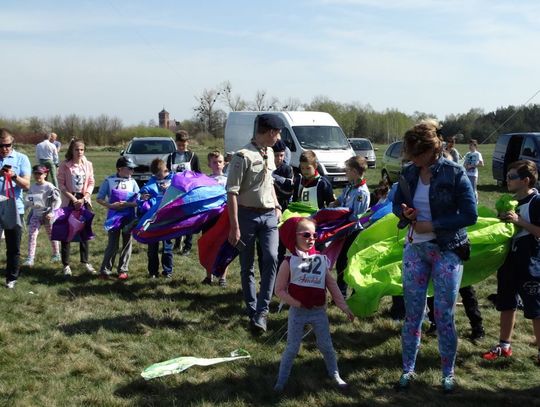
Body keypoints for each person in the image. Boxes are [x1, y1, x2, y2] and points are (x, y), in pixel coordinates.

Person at [392, 120, 477, 392]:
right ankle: (408, 369)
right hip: (415, 249)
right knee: (413, 313)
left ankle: (447, 373)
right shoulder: (409, 172)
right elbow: (396, 205)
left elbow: (470, 214)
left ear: (433, 149)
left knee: (443, 315)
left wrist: (433, 225)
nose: (413, 159)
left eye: (418, 154)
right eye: (411, 154)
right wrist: (404, 213)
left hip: (447, 250)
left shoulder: (454, 172)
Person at [273, 217, 355, 392]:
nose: (311, 239)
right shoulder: (288, 262)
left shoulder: (320, 260)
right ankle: (281, 381)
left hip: (319, 312)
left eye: (314, 235)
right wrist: (296, 303)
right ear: (293, 236)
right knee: (292, 348)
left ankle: (335, 374)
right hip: (298, 313)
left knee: (326, 346)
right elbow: (279, 290)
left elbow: (332, 285)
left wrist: (344, 306)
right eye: (306, 235)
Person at [226, 113, 283, 333]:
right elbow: (231, 193)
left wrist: (277, 206)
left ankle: (262, 310)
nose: (279, 138)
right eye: (277, 133)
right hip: (246, 216)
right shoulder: (242, 156)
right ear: (270, 132)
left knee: (271, 257)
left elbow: (268, 182)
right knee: (247, 265)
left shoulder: (270, 152)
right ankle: (253, 311)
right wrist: (235, 227)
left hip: (269, 215)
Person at [482, 160, 540, 364]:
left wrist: (519, 221)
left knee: (535, 308)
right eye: (507, 176)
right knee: (506, 303)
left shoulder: (536, 201)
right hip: (508, 262)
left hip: (530, 263)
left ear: (526, 180)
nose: (507, 180)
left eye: (512, 177)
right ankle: (504, 346)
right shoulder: (510, 200)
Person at [331, 156, 370, 297]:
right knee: (341, 261)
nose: (345, 172)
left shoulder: (361, 192)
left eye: (347, 170)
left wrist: (338, 215)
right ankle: (341, 292)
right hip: (344, 229)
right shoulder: (350, 186)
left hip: (354, 231)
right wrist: (335, 203)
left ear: (354, 171)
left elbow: (356, 215)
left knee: (346, 261)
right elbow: (342, 199)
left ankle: (346, 293)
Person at [57, 139, 96, 277]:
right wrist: (73, 199)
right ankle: (66, 264)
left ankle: (85, 261)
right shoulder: (64, 165)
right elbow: (61, 185)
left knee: (84, 231)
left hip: (84, 199)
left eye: (82, 149)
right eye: (77, 149)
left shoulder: (88, 164)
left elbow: (91, 182)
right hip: (69, 200)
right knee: (67, 232)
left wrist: (85, 197)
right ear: (72, 150)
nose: (79, 152)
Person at [96, 157, 139, 280]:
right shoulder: (109, 180)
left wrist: (127, 204)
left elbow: (138, 201)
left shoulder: (133, 182)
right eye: (129, 168)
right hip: (113, 218)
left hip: (129, 217)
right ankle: (105, 270)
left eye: (133, 168)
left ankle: (123, 270)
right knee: (112, 244)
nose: (132, 171)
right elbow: (99, 198)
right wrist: (110, 206)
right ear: (120, 168)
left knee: (127, 243)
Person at [0, 128, 31, 288]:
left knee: (13, 247)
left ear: (12, 143)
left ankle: (11, 278)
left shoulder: (22, 158)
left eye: (7, 145)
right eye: (1, 146)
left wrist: (14, 176)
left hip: (14, 208)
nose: (4, 149)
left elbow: (26, 185)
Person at [167, 130, 201, 256]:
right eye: (179, 145)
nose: (181, 147)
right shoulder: (171, 157)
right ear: (176, 143)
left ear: (188, 142)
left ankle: (187, 245)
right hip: (175, 191)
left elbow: (198, 174)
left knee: (188, 218)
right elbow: (167, 173)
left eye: (183, 144)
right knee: (176, 217)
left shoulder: (193, 156)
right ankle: (177, 242)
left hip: (189, 191)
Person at [139, 158, 174, 278]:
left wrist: (169, 189)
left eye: (160, 174)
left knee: (167, 247)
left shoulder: (173, 179)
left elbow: (181, 189)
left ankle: (167, 271)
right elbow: (144, 191)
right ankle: (153, 271)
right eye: (156, 175)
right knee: (152, 246)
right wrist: (143, 195)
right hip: (153, 218)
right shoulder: (152, 181)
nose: (159, 177)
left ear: (166, 169)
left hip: (168, 216)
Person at [23, 165, 61, 267]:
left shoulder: (50, 187)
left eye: (40, 173)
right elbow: (28, 201)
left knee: (52, 235)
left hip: (48, 216)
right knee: (32, 235)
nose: (37, 175)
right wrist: (22, 210)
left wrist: (52, 212)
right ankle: (30, 258)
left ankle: (56, 254)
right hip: (36, 216)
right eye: (35, 173)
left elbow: (58, 201)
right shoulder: (32, 187)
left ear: (45, 174)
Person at [202, 151, 228, 286]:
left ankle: (222, 277)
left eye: (220, 162)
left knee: (224, 247)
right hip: (209, 217)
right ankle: (208, 276)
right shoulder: (205, 180)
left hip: (223, 217)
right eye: (214, 162)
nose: (217, 164)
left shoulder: (228, 180)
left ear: (224, 164)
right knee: (209, 246)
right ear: (209, 164)